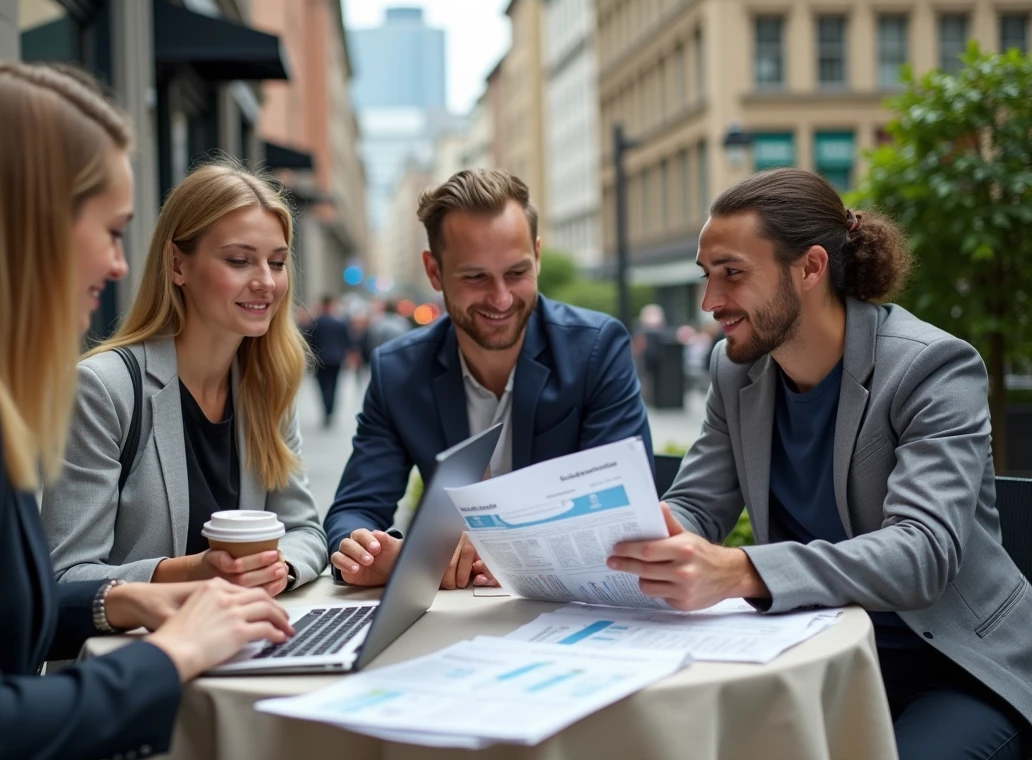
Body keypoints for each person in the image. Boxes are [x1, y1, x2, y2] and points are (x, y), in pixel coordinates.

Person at [0, 62, 293, 759]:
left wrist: (129, 601)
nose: (116, 265)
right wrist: (172, 655)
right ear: (25, 224)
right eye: (111, 231)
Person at [607, 168, 1031, 758]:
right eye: (708, 277)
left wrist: (739, 570)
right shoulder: (737, 370)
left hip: (956, 668)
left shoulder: (932, 368)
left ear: (810, 268)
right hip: (819, 656)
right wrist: (639, 534)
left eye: (732, 274)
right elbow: (698, 504)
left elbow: (921, 552)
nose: (711, 302)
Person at [325, 169, 654, 590]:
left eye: (516, 273)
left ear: (536, 255)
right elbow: (353, 510)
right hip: (455, 615)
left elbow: (622, 511)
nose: (500, 299)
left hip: (576, 606)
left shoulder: (596, 349)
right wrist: (373, 553)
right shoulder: (397, 371)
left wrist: (501, 548)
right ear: (434, 272)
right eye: (475, 277)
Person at [42, 160, 328, 597]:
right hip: (135, 656)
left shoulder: (268, 384)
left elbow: (304, 529)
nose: (266, 282)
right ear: (178, 264)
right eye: (239, 260)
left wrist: (278, 568)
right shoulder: (102, 389)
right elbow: (64, 578)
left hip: (245, 645)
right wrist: (194, 573)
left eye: (277, 261)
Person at [306, 295, 352, 427]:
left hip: (320, 359)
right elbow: (346, 341)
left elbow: (311, 342)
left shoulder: (316, 322)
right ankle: (330, 410)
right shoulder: (340, 322)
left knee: (323, 385)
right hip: (336, 359)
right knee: (334, 385)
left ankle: (327, 410)